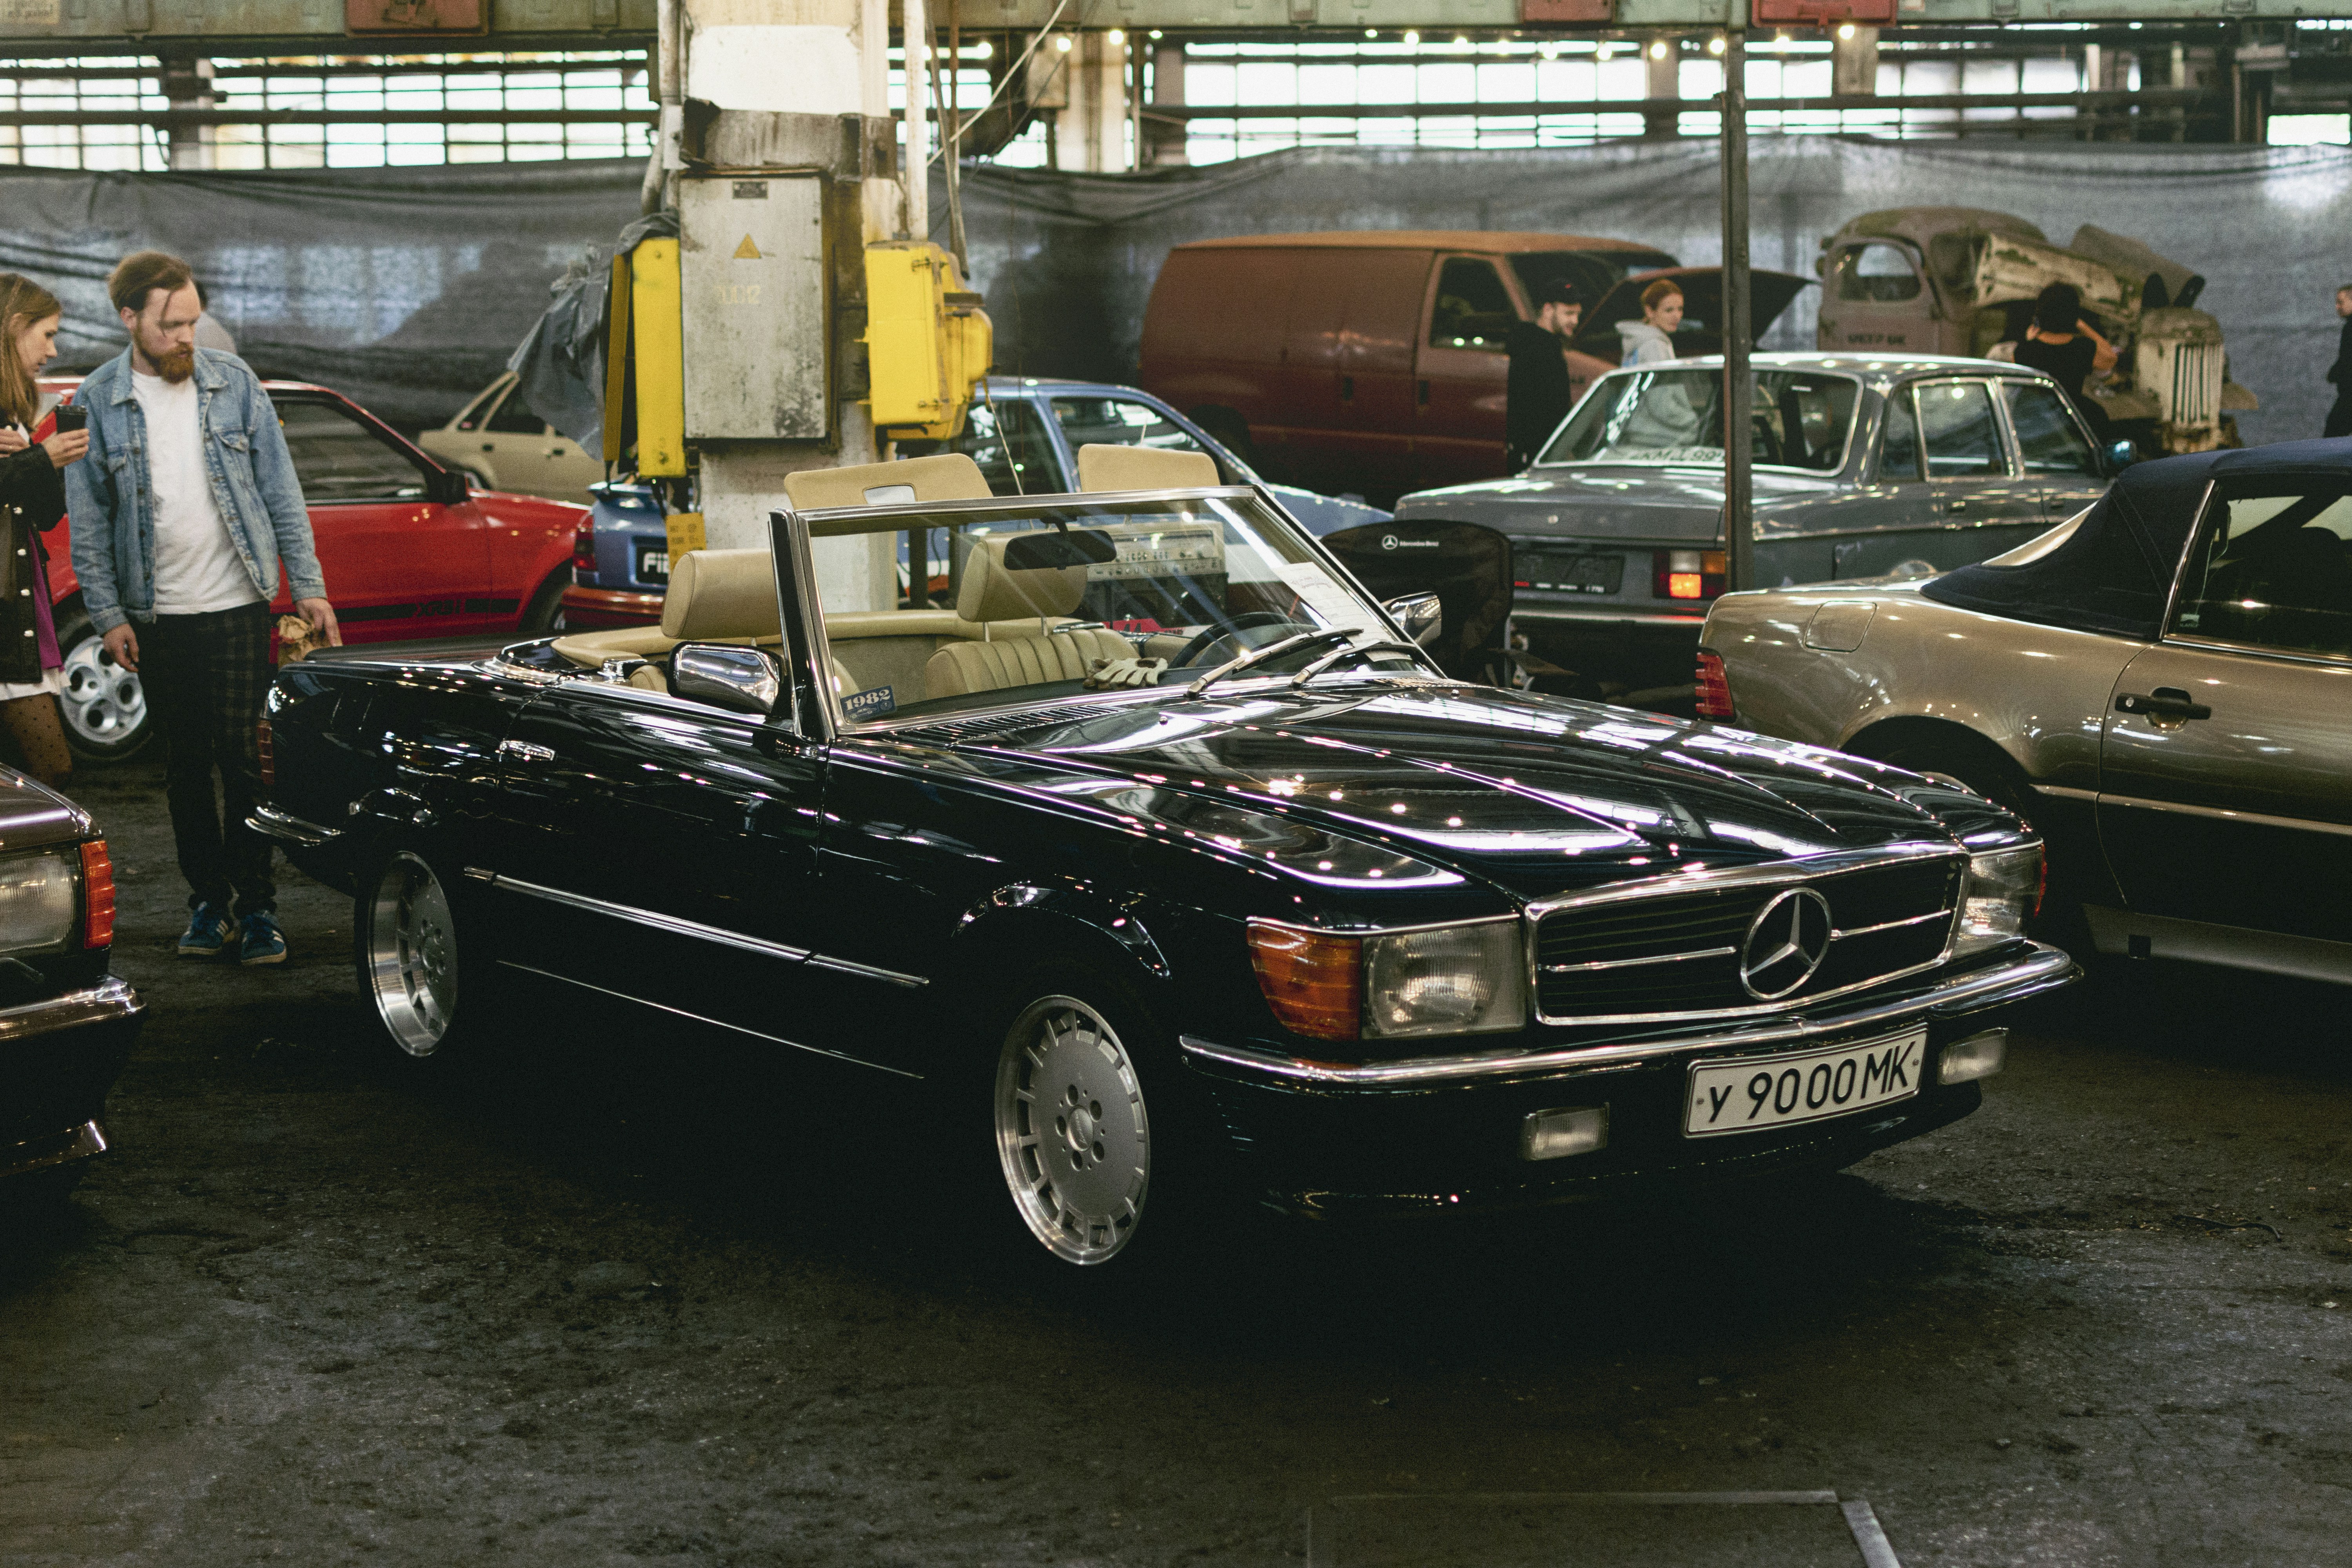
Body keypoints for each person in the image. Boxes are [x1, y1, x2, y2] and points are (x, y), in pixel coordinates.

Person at [65, 250, 339, 967]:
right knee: (185, 766)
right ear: (130, 320)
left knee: (244, 759)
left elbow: (282, 491)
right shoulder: (98, 400)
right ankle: (207, 904)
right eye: (171, 324)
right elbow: (89, 523)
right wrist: (107, 614)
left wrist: (307, 584)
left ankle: (258, 909)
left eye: (192, 321)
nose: (188, 335)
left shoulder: (235, 383)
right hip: (158, 616)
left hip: (238, 603)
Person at [0, 275, 86, 789]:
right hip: (9, 615)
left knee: (31, 772)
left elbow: (45, 514)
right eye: (47, 334)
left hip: (19, 604)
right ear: (14, 327)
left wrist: (48, 460)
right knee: (50, 770)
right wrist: (43, 459)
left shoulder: (15, 409)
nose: (53, 350)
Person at [2013, 282, 2118, 442]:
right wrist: (2081, 324)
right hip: (2074, 419)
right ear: (2074, 314)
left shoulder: (2023, 351)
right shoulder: (2084, 347)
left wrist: (2030, 340)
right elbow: (2110, 358)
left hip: (2034, 423)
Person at [1505, 279, 1581, 470]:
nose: (1575, 321)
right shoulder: (1538, 349)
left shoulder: (1537, 344)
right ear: (1548, 310)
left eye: (1578, 314)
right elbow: (1543, 408)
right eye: (1568, 313)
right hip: (1538, 454)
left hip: (1535, 452)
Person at [1619, 279, 1683, 368]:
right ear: (1650, 311)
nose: (1677, 316)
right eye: (1669, 310)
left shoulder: (1637, 337)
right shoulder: (1655, 344)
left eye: (1680, 309)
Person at [2325, 284, 2352, 440]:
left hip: (2349, 396)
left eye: (2341, 302)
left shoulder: (2350, 328)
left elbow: (2347, 360)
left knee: (2332, 438)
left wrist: (2334, 374)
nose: (2337, 307)